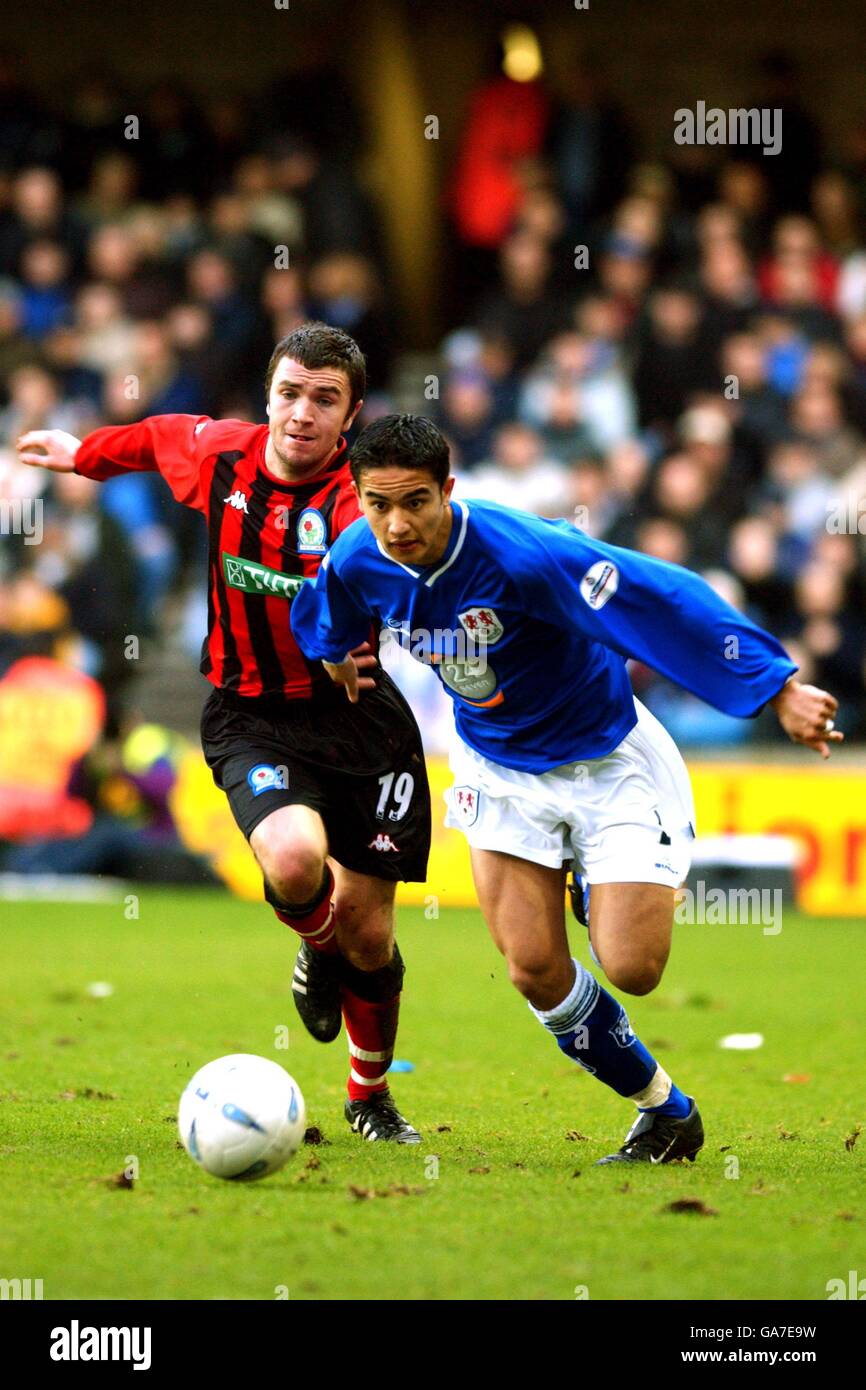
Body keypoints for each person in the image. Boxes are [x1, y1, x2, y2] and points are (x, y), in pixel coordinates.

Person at [290, 413, 843, 1165]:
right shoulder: (361, 554)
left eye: (415, 501)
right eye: (378, 504)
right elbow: (330, 607)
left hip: (605, 760)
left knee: (633, 969)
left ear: (448, 491)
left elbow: (660, 597)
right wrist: (335, 660)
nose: (396, 524)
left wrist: (774, 688)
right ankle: (665, 1113)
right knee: (533, 968)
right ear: (357, 498)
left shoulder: (526, 555)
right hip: (498, 769)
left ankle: (593, 882)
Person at [16, 325, 431, 1146]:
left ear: (348, 416)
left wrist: (349, 641)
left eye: (324, 399)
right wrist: (85, 453)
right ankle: (319, 951)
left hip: (361, 721)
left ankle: (369, 1095)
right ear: (269, 395)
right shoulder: (225, 456)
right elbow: (158, 436)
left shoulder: (360, 502)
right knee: (292, 860)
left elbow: (383, 583)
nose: (302, 413)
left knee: (372, 936)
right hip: (252, 713)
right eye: (290, 393)